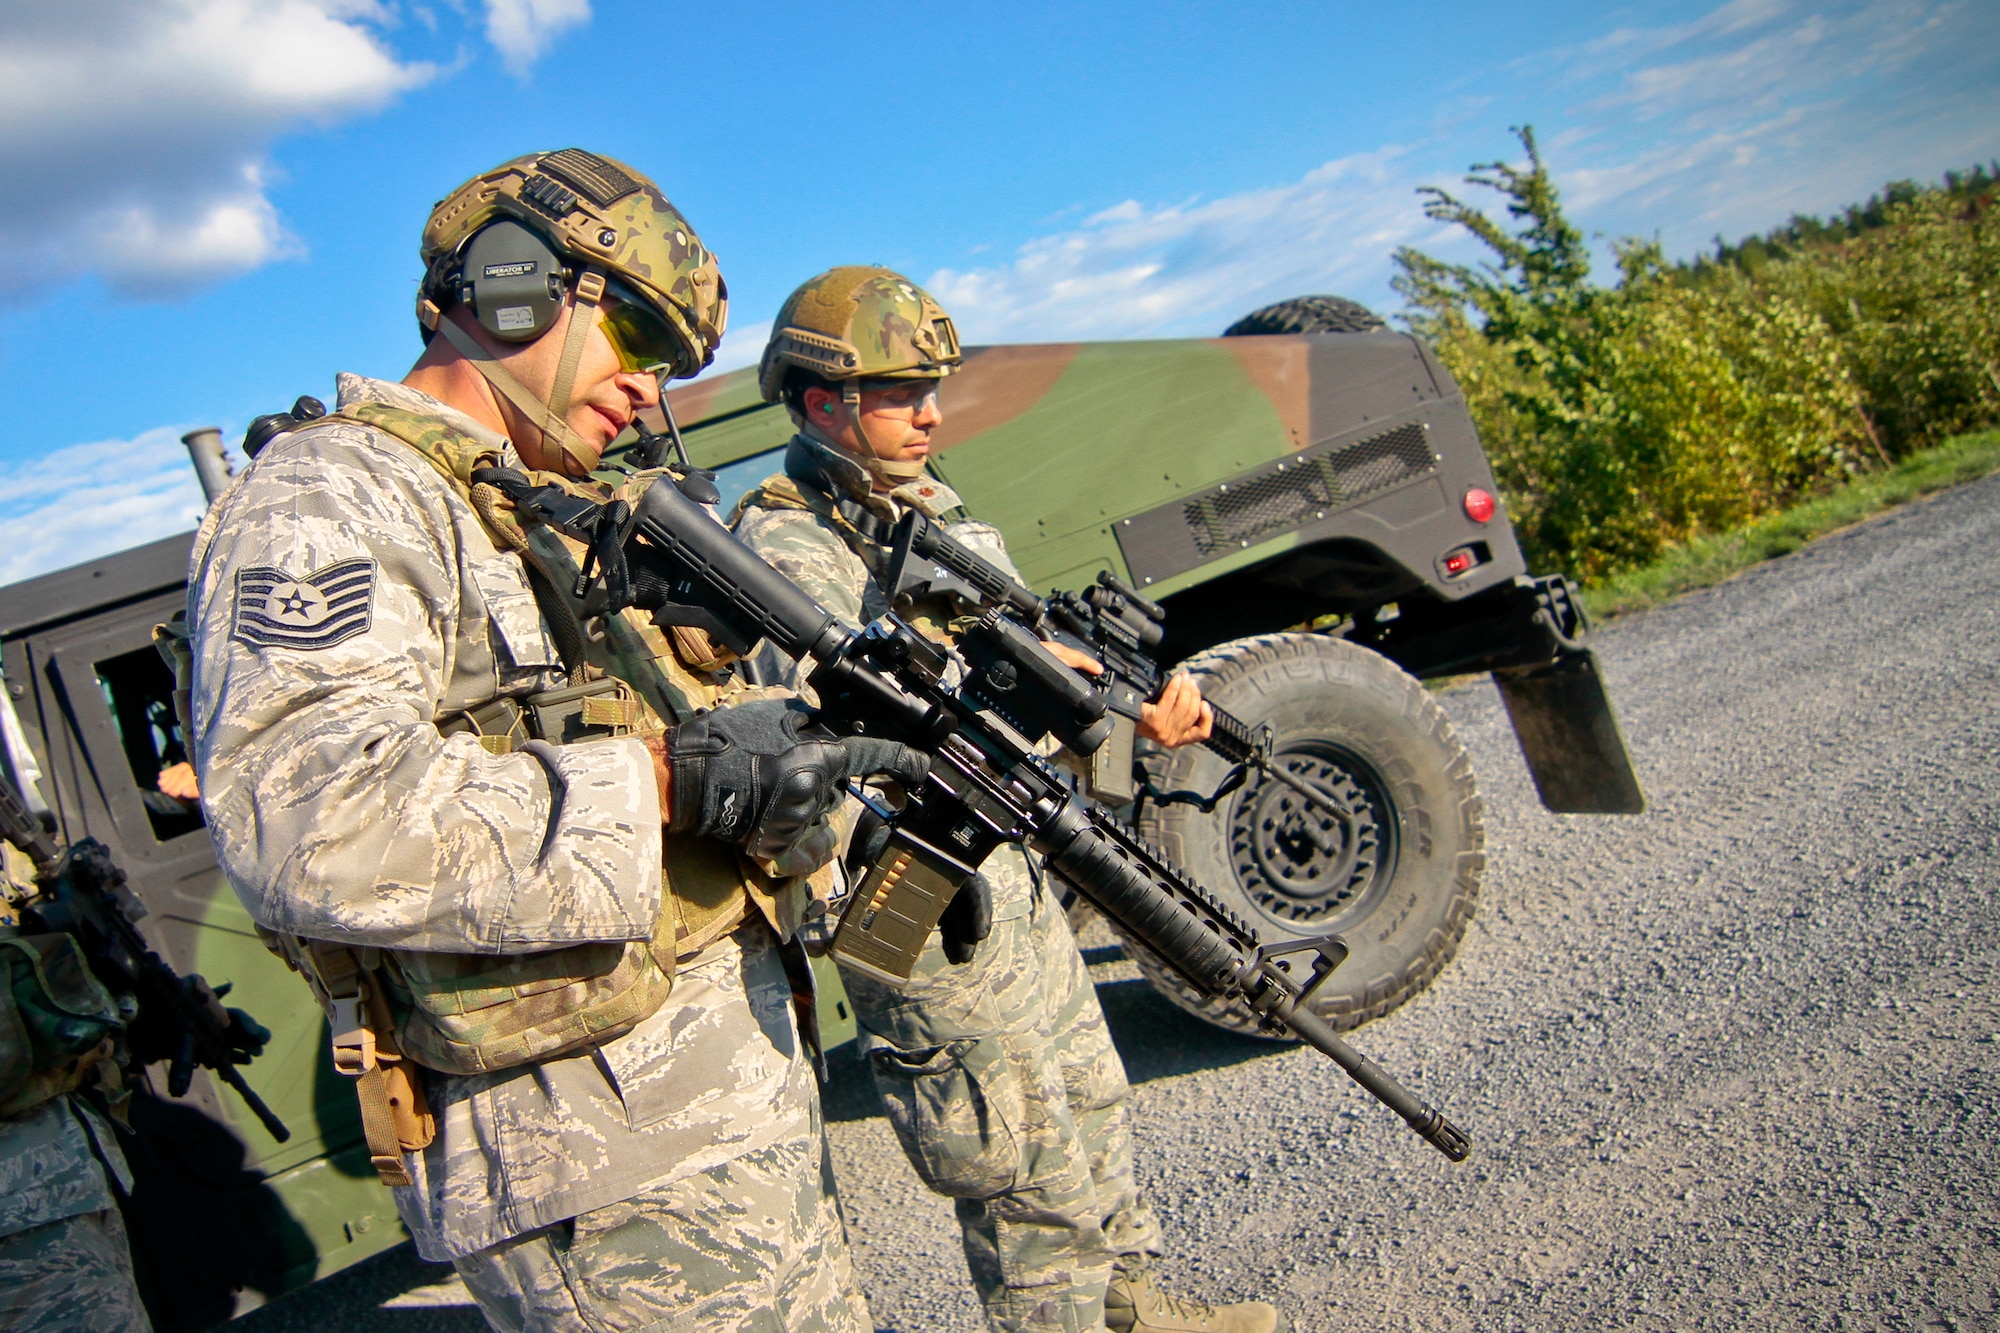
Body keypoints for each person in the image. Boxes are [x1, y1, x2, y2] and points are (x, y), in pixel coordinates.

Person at [184, 151, 923, 1333]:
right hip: (589, 1153)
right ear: (513, 287)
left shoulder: (520, 503)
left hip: (695, 1107)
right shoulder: (330, 498)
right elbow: (308, 814)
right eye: (635, 333)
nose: (649, 388)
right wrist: (668, 787)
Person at [734, 267, 1284, 1333]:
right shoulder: (782, 547)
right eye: (901, 394)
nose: (931, 413)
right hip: (919, 892)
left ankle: (1131, 1310)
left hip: (1013, 864)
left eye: (931, 387)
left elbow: (1007, 669)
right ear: (819, 405)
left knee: (1086, 1095)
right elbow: (847, 729)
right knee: (1013, 1157)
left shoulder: (934, 508)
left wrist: (1109, 705)